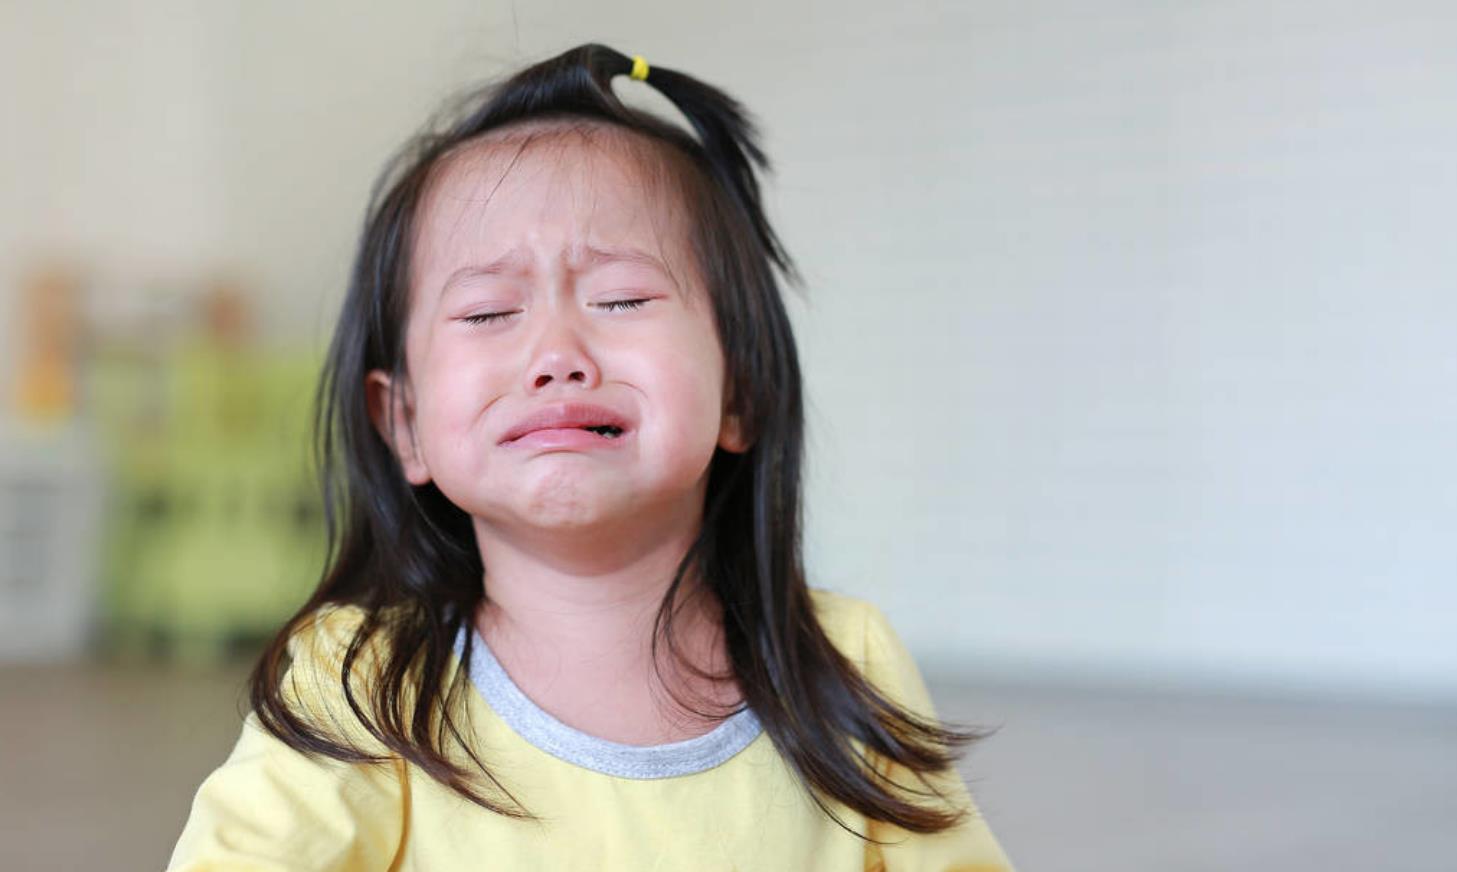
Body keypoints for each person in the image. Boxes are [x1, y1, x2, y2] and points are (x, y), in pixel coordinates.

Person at [167, 43, 1015, 871]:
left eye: (621, 298)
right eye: (488, 313)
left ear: (739, 393)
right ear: (406, 423)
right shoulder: (358, 681)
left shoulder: (842, 658)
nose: (556, 354)